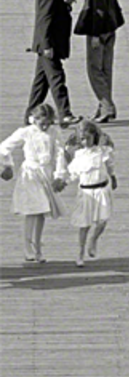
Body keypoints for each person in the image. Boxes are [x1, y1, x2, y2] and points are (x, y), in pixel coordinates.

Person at [0, 103, 67, 264]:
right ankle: (27, 246)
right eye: (41, 122)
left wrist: (60, 175)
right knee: (33, 209)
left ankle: (37, 246)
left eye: (47, 123)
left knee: (42, 210)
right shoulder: (26, 132)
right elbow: (3, 148)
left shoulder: (54, 133)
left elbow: (60, 154)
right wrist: (7, 166)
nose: (44, 126)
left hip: (46, 174)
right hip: (30, 174)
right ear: (34, 119)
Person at [25, 0, 79, 128]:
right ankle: (65, 114)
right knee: (57, 79)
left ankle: (29, 117)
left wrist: (66, 5)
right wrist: (47, 45)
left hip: (45, 46)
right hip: (49, 46)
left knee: (40, 84)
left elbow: (53, 15)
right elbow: (45, 20)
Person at [73, 0, 125, 123]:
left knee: (94, 70)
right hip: (111, 28)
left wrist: (95, 34)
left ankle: (107, 106)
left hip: (99, 31)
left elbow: (98, 12)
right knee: (106, 70)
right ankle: (102, 107)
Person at [67, 119, 117, 268]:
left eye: (88, 138)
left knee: (102, 221)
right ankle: (80, 252)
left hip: (101, 189)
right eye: (82, 139)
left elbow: (110, 166)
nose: (85, 142)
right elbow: (73, 173)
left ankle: (93, 239)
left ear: (94, 137)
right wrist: (62, 181)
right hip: (86, 191)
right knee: (84, 224)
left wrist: (113, 177)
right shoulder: (79, 155)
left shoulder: (103, 152)